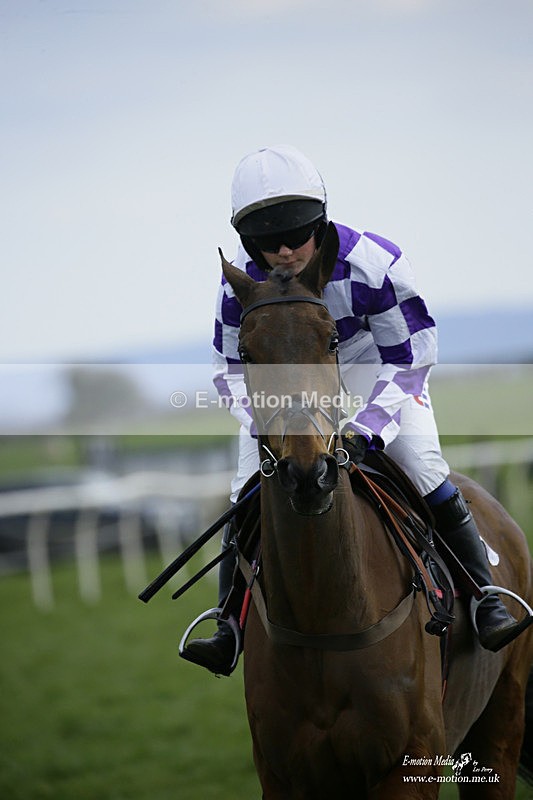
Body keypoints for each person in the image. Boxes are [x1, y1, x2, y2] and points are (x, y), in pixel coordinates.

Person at [184, 144, 522, 675]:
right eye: (268, 244)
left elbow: (411, 355)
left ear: (319, 220)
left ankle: (485, 599)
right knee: (245, 489)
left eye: (296, 236)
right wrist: (273, 424)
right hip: (289, 400)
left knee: (423, 467)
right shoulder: (241, 289)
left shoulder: (374, 261)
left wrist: (367, 428)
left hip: (379, 381)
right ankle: (226, 623)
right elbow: (229, 372)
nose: (286, 252)